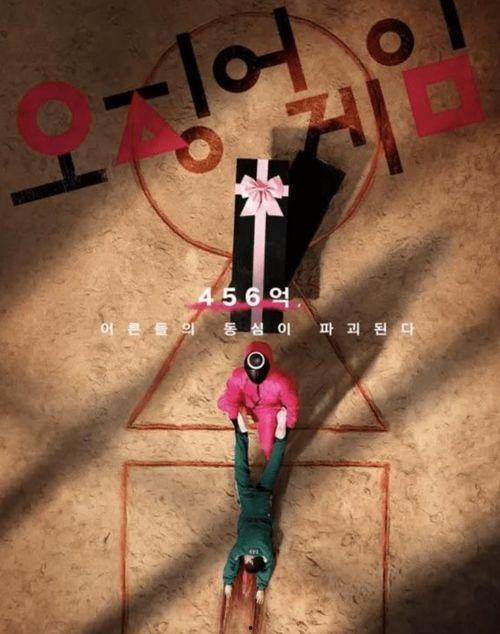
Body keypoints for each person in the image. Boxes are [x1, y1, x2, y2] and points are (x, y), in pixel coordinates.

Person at [222, 412, 288, 604]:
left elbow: (268, 566)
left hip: (263, 501)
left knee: (272, 469)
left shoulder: (266, 552)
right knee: (240, 468)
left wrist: (261, 587)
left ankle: (281, 436)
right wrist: (227, 582)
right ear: (249, 559)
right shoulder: (240, 549)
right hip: (247, 502)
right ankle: (241, 432)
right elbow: (231, 562)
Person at [217, 341, 299, 459]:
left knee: (268, 448)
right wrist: (236, 422)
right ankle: (241, 410)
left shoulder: (282, 382)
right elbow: (231, 400)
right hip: (245, 401)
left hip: (268, 409)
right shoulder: (238, 376)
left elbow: (292, 407)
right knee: (222, 403)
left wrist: (287, 427)